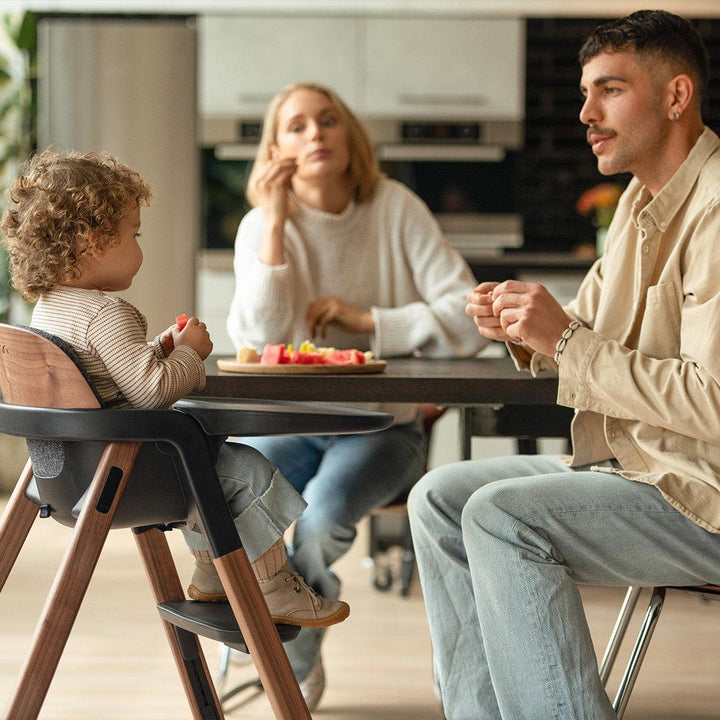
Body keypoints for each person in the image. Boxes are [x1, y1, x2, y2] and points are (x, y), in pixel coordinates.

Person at [408, 10, 720, 720]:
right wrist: (524, 330)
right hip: (646, 467)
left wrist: (566, 343)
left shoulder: (716, 209)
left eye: (608, 90)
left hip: (704, 490)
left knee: (499, 516)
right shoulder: (639, 201)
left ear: (676, 97)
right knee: (440, 499)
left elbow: (713, 401)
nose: (586, 113)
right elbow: (588, 334)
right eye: (586, 93)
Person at [0, 148, 350, 631]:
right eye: (133, 233)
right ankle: (273, 587)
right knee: (245, 471)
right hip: (129, 475)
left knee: (216, 470)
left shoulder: (49, 312)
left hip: (67, 477)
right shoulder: (106, 313)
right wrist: (190, 353)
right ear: (92, 241)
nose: (140, 245)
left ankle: (210, 575)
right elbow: (151, 391)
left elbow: (105, 375)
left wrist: (158, 347)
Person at [225, 81, 487, 707]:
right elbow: (258, 337)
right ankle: (266, 635)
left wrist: (370, 321)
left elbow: (466, 315)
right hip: (288, 421)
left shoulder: (396, 208)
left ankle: (287, 660)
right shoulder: (262, 225)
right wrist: (275, 223)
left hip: (380, 429)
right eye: (297, 126)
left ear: (349, 136)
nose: (315, 133)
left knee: (315, 525)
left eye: (328, 120)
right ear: (276, 148)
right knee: (229, 500)